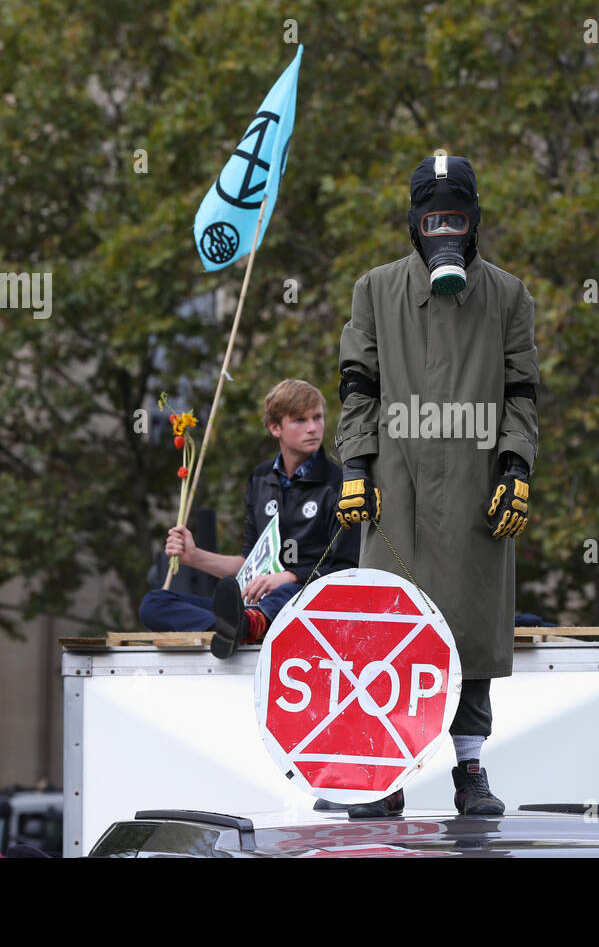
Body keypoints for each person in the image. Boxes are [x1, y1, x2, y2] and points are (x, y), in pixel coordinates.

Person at [334, 152, 540, 818]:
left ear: (474, 220)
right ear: (415, 223)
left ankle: (470, 770)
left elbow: (522, 394)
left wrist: (515, 469)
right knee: (387, 628)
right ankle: (383, 770)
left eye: (456, 217)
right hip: (397, 491)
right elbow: (356, 387)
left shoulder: (509, 295)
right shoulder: (373, 289)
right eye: (433, 218)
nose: (444, 229)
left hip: (477, 487)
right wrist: (356, 467)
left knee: (472, 633)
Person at [139, 379, 358, 657]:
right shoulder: (260, 478)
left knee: (286, 592)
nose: (313, 428)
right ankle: (239, 628)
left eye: (317, 418)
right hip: (254, 606)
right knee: (154, 603)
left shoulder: (340, 483)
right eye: (300, 420)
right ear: (275, 427)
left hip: (305, 604)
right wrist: (193, 556)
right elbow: (249, 564)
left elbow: (347, 570)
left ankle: (248, 624)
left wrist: (289, 576)